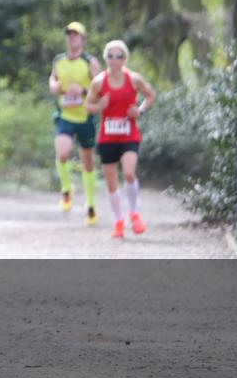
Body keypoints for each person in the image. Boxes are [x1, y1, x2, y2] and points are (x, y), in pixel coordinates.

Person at [84, 40, 156, 239]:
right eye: (111, 56)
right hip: (107, 137)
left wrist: (139, 110)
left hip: (129, 135)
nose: (115, 60)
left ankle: (134, 214)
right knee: (111, 183)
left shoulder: (133, 79)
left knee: (129, 173)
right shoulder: (99, 81)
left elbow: (150, 96)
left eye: (119, 56)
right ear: (105, 58)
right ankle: (118, 221)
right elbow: (88, 105)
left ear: (125, 58)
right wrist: (99, 106)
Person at [48, 22, 101, 225]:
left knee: (87, 161)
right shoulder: (59, 60)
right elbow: (52, 80)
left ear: (83, 39)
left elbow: (101, 86)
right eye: (69, 35)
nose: (72, 38)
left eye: (76, 35)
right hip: (65, 116)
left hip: (85, 117)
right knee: (62, 153)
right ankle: (66, 190)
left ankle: (90, 205)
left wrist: (84, 92)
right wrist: (57, 86)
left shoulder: (90, 62)